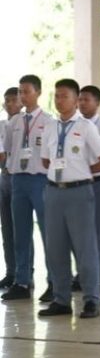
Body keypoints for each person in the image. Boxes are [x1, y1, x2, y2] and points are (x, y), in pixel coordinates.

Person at [38, 78, 100, 319]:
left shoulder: (85, 127)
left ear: (75, 99)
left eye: (64, 96)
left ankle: (91, 299)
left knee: (85, 248)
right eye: (56, 96)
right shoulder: (49, 126)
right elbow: (46, 160)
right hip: (53, 192)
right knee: (55, 247)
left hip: (80, 193)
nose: (59, 100)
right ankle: (61, 299)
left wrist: (81, 172)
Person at [2, 75, 52, 302]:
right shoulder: (13, 122)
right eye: (20, 92)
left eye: (27, 91)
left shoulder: (49, 121)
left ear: (38, 92)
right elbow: (9, 151)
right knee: (20, 232)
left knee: (47, 232)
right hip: (18, 180)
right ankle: (22, 280)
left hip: (40, 180)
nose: (22, 96)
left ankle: (54, 281)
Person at [78, 85, 100, 293]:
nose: (82, 103)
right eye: (80, 99)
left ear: (97, 103)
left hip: (98, 183)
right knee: (81, 232)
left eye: (86, 100)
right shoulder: (75, 125)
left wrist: (86, 170)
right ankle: (84, 274)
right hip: (80, 186)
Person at [0, 88, 20, 289]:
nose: (10, 104)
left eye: (14, 100)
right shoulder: (2, 125)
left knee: (21, 228)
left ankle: (24, 273)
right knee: (6, 228)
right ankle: (11, 271)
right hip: (4, 177)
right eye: (7, 100)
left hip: (20, 178)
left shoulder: (25, 125)